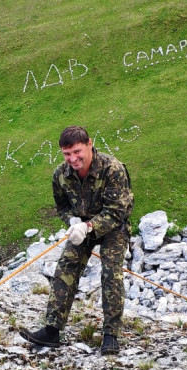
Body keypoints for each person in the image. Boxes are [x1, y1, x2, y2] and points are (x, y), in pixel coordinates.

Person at [20, 126, 134, 355]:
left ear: (90, 144)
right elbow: (61, 206)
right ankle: (52, 330)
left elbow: (117, 211)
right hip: (80, 227)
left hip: (113, 227)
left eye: (77, 152)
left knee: (111, 273)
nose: (73, 159)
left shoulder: (113, 169)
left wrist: (89, 226)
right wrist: (72, 221)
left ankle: (111, 334)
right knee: (65, 268)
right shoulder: (60, 175)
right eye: (67, 154)